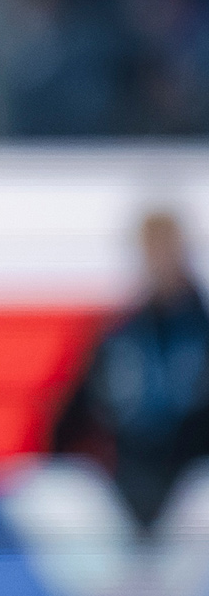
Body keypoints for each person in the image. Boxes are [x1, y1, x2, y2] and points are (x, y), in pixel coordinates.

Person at [51, 209, 209, 534]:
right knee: (54, 495)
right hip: (127, 487)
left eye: (168, 249)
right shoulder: (119, 336)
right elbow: (67, 422)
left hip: (191, 492)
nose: (160, 261)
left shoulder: (202, 331)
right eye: (152, 250)